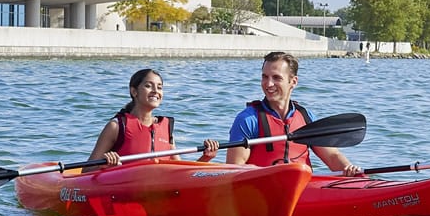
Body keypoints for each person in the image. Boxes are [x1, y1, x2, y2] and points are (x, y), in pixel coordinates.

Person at [226, 52, 361, 175]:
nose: (268, 84)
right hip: (260, 190)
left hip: (302, 190)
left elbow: (332, 157)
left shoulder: (306, 117)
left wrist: (349, 169)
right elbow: (234, 169)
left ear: (293, 82)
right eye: (265, 77)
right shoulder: (248, 119)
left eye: (276, 78)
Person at [86, 68, 218, 168]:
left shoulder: (166, 128)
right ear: (134, 91)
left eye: (159, 87)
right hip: (125, 194)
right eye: (149, 86)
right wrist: (105, 165)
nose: (156, 91)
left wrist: (206, 157)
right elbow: (86, 172)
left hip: (158, 194)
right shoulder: (117, 126)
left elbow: (180, 172)